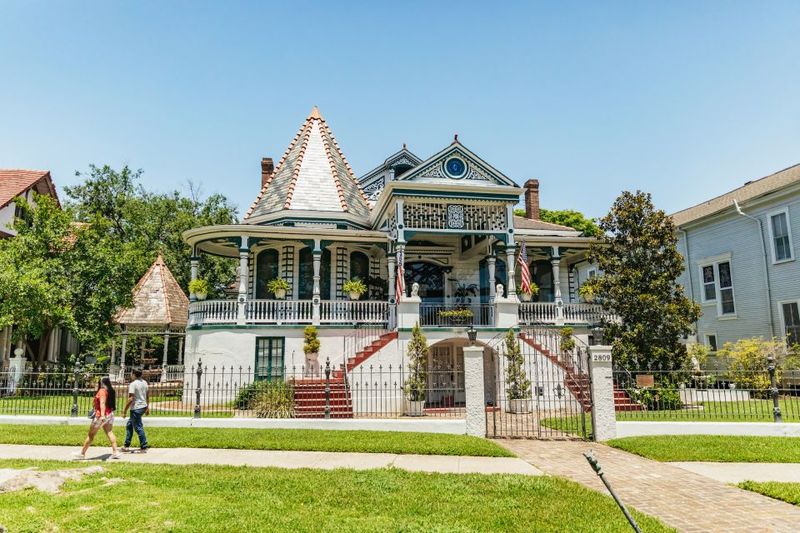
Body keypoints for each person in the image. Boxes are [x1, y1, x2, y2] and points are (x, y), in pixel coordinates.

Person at [74, 377, 120, 460]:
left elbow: (102, 403)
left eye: (97, 382)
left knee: (91, 435)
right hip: (109, 414)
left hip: (101, 416)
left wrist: (102, 415)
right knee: (109, 432)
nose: (96, 384)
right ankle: (115, 452)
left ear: (101, 383)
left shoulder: (102, 391)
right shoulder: (110, 391)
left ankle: (82, 454)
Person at [122, 369, 149, 452]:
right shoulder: (145, 382)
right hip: (143, 406)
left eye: (131, 373)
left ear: (134, 374)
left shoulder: (133, 384)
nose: (130, 375)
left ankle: (144, 446)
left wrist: (124, 410)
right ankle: (126, 445)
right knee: (130, 425)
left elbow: (131, 399)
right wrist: (147, 407)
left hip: (136, 408)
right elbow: (147, 396)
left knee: (138, 427)